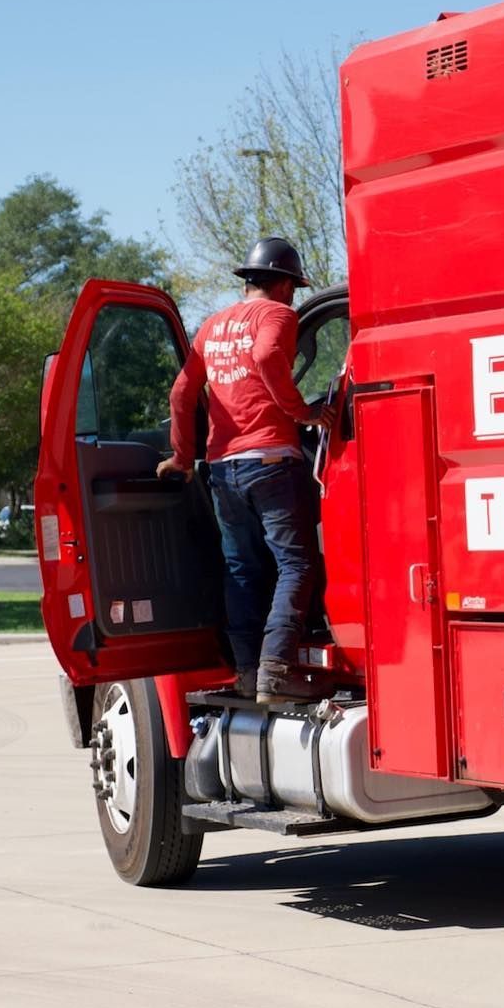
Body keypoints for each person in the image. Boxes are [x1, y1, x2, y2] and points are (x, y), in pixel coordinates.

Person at [157, 238, 335, 704]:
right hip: (272, 462)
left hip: (222, 469)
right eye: (293, 288)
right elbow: (267, 356)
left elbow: (181, 393)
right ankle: (277, 669)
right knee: (296, 564)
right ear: (284, 284)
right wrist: (302, 412)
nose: (292, 297)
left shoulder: (212, 325)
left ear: (248, 281)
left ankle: (247, 672)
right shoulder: (278, 315)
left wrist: (182, 457)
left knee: (241, 570)